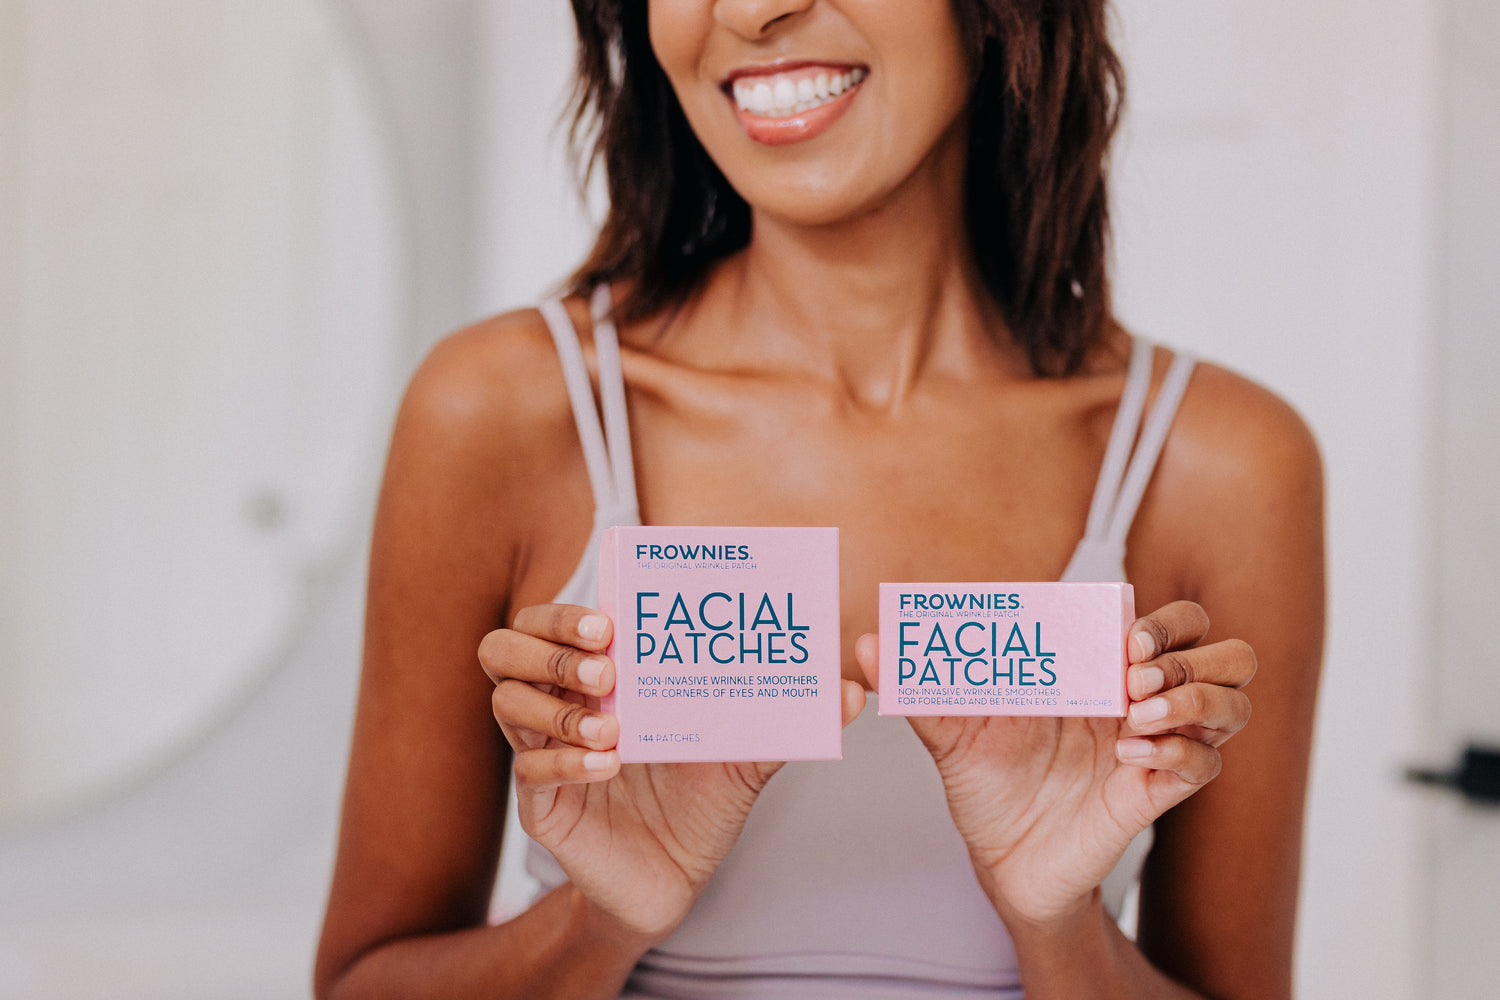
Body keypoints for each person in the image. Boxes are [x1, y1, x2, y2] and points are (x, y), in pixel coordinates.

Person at [314, 1, 1325, 997]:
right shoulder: (500, 411)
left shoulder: (1219, 465)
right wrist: (600, 920)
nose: (754, 10)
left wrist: (1058, 926)